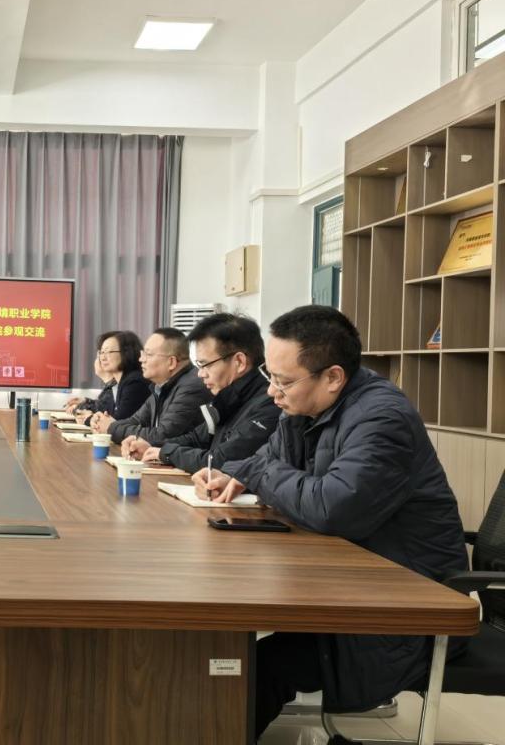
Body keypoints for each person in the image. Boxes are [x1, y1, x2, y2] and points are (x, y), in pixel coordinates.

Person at [192, 305, 468, 740]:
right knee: (221, 656)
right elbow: (268, 459)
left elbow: (330, 508)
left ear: (333, 377)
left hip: (407, 608)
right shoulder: (303, 407)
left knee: (254, 669)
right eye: (269, 376)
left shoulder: (382, 419)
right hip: (351, 585)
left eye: (283, 381)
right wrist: (236, 473)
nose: (272, 392)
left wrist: (257, 473)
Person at [124, 313, 279, 473]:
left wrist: (165, 453)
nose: (200, 374)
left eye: (206, 365)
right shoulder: (228, 398)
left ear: (239, 362)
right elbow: (197, 438)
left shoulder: (270, 403)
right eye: (199, 365)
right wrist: (152, 446)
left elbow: (221, 461)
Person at [93, 327, 210, 444]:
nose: (141, 359)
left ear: (171, 362)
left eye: (148, 354)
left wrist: (111, 427)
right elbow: (136, 420)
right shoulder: (160, 386)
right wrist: (102, 423)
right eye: (142, 353)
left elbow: (161, 436)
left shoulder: (191, 387)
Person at [74, 330, 150, 426]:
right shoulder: (124, 381)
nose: (102, 358)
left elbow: (117, 422)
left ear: (127, 353)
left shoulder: (135, 382)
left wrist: (89, 419)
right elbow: (109, 413)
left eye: (108, 352)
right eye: (102, 352)